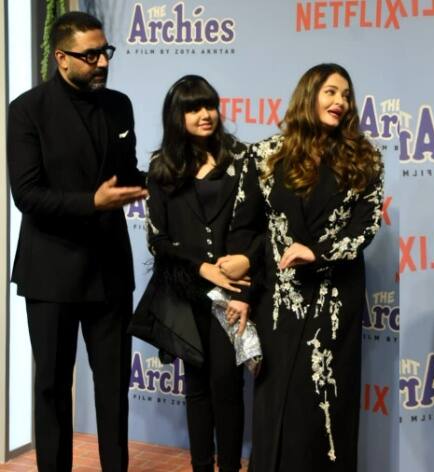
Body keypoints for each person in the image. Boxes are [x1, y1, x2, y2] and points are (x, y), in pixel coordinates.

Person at [6, 11, 147, 472]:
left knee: (114, 388)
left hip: (109, 271)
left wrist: (175, 176)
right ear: (61, 57)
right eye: (90, 55)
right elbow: (28, 195)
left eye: (105, 52)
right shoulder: (27, 110)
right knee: (51, 387)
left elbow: (126, 174)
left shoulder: (119, 105)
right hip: (51, 272)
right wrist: (92, 202)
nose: (102, 62)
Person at [246, 63, 384, 472]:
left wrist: (318, 252)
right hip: (279, 299)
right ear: (309, 95)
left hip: (334, 299)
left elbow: (366, 225)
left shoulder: (364, 158)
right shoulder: (266, 155)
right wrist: (242, 292)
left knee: (325, 405)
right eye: (331, 92)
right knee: (278, 402)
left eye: (346, 95)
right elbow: (248, 228)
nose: (340, 101)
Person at [132, 75, 263, 472]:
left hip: (231, 295)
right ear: (177, 116)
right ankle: (201, 466)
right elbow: (159, 240)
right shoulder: (162, 168)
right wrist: (202, 267)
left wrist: (242, 289)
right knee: (197, 387)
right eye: (193, 108)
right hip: (186, 292)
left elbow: (256, 228)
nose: (205, 114)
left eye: (209, 105)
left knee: (228, 386)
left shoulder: (240, 159)